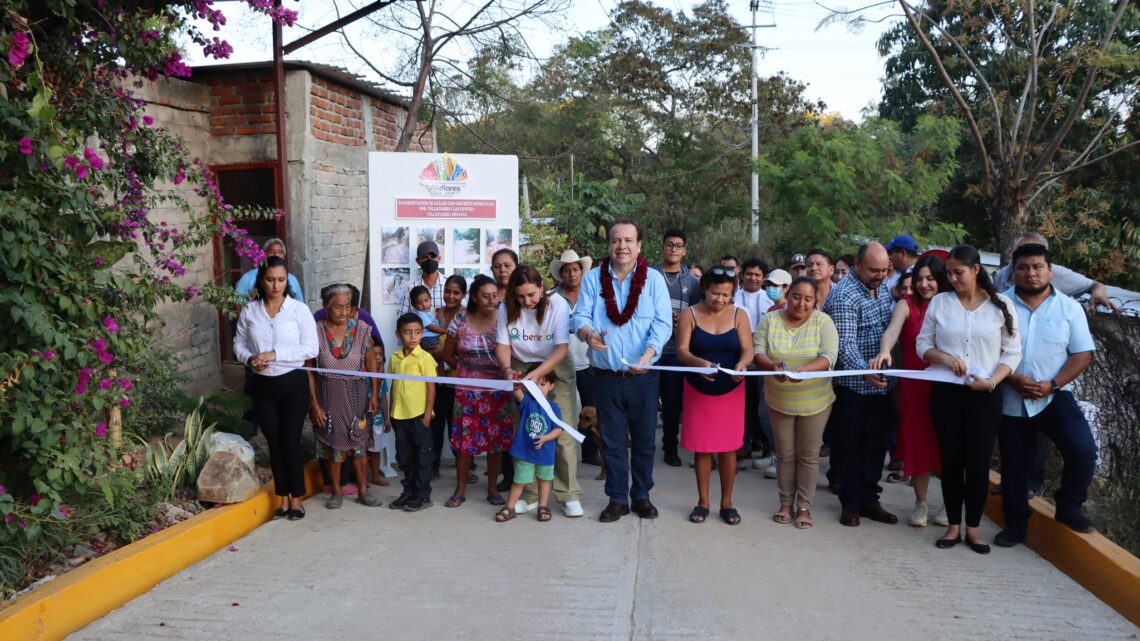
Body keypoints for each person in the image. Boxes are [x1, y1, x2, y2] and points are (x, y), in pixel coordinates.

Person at [917, 245, 1021, 554]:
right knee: (950, 462)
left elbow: (1012, 353)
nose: (953, 278)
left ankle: (973, 528)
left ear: (976, 270)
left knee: (977, 464)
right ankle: (952, 525)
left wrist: (991, 382)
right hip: (946, 393)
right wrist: (945, 359)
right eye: (948, 273)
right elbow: (923, 344)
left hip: (985, 396)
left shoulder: (1001, 305)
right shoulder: (940, 302)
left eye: (958, 272)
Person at [996, 243, 1097, 546]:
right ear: (1013, 273)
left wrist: (1052, 384)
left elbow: (1081, 354)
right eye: (1024, 267)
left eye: (1038, 267)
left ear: (1050, 270)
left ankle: (1068, 507)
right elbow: (985, 350)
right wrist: (1011, 378)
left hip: (1054, 394)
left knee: (1083, 450)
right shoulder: (998, 305)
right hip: (1011, 394)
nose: (1031, 273)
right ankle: (1015, 526)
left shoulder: (1070, 308)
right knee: (1015, 466)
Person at [572, 218, 672, 523]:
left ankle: (641, 495)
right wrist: (589, 335)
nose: (622, 246)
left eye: (629, 240)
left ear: (639, 246)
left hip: (644, 376)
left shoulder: (653, 280)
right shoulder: (592, 279)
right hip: (605, 375)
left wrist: (649, 355)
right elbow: (579, 316)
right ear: (609, 245)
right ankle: (617, 498)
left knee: (644, 440)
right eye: (616, 240)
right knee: (612, 441)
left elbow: (663, 323)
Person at [233, 256, 318, 520]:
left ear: (287, 281)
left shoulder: (298, 310)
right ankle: (282, 499)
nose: (276, 285)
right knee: (274, 442)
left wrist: (274, 353)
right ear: (261, 280)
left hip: (292, 382)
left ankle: (297, 499)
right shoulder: (250, 311)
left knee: (290, 441)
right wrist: (250, 359)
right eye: (270, 279)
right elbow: (238, 344)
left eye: (281, 280)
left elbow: (311, 348)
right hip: (262, 385)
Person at [871, 254, 951, 527]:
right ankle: (921, 503)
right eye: (920, 279)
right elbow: (892, 331)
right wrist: (884, 350)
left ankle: (948, 505)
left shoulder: (953, 305)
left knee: (947, 447)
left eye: (931, 278)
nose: (925, 284)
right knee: (918, 444)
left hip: (947, 385)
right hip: (914, 387)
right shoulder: (906, 305)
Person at [495, 265, 582, 517]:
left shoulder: (558, 304)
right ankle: (530, 495)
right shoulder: (506, 308)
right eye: (520, 296)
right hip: (521, 365)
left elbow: (562, 348)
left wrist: (541, 373)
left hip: (555, 365)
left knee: (561, 428)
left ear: (542, 288)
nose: (527, 301)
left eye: (532, 295)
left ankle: (568, 494)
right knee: (525, 429)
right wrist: (507, 370)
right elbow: (502, 345)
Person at [754, 276, 839, 529]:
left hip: (816, 401)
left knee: (809, 455)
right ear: (787, 295)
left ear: (816, 301)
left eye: (808, 299)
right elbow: (758, 352)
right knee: (785, 454)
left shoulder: (823, 322)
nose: (801, 303)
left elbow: (829, 356)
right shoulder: (770, 320)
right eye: (796, 296)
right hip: (778, 399)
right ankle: (784, 503)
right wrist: (772, 366)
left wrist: (805, 371)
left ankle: (804, 506)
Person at [823, 242, 898, 527]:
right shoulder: (844, 295)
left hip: (882, 385)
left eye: (883, 270)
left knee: (877, 445)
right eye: (873, 270)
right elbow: (845, 345)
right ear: (857, 265)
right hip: (854, 387)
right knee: (850, 446)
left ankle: (870, 499)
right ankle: (851, 503)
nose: (879, 275)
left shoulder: (880, 288)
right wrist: (864, 370)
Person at [675, 267, 754, 524]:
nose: (720, 299)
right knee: (703, 448)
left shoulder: (740, 315)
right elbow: (682, 352)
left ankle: (727, 502)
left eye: (726, 295)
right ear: (704, 290)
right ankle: (703, 502)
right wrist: (697, 362)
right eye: (715, 293)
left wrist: (743, 365)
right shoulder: (689, 314)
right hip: (698, 389)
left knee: (729, 448)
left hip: (731, 389)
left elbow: (748, 350)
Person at [306, 284, 383, 509]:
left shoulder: (362, 329)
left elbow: (372, 365)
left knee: (359, 444)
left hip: (357, 394)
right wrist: (314, 403)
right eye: (337, 307)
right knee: (334, 445)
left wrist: (374, 395)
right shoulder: (316, 330)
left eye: (347, 307)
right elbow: (309, 371)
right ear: (326, 306)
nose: (343, 312)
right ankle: (337, 491)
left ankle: (363, 491)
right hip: (328, 395)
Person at [441, 275, 513, 508]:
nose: (492, 300)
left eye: (495, 295)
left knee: (495, 443)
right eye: (486, 296)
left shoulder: (504, 317)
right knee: (464, 443)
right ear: (474, 297)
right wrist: (466, 370)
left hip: (497, 391)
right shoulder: (460, 318)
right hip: (466, 392)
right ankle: (460, 489)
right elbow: (447, 353)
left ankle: (492, 489)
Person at [652, 229, 702, 467]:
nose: (673, 249)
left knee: (672, 403)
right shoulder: (649, 275)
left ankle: (670, 447)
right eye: (669, 244)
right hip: (650, 350)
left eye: (678, 245)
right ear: (663, 247)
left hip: (676, 351)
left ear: (684, 250)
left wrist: (681, 320)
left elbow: (697, 314)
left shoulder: (693, 281)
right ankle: (645, 445)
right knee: (648, 402)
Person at [494, 366, 564, 523]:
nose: (538, 388)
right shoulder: (527, 402)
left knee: (544, 481)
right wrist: (516, 383)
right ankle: (510, 507)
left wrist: (546, 438)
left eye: (543, 384)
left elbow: (559, 429)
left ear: (551, 386)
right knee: (519, 481)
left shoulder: (553, 407)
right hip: (525, 452)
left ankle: (543, 506)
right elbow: (516, 391)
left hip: (545, 453)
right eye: (534, 384)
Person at [991, 232, 1119, 313]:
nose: (1031, 273)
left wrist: (1098, 295)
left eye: (1034, 252)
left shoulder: (1060, 275)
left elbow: (1095, 285)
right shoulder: (1002, 275)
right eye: (1022, 252)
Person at [386, 312, 439, 512]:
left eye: (417, 332)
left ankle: (422, 494)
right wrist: (391, 411)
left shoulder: (425, 358)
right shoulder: (395, 357)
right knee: (405, 458)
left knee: (423, 457)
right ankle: (408, 492)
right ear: (398, 334)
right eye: (407, 332)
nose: (413, 337)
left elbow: (431, 387)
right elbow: (394, 385)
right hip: (399, 416)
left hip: (419, 416)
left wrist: (427, 415)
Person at [549, 249, 598, 464]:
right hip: (561, 363)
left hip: (588, 362)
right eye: (567, 270)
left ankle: (590, 452)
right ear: (560, 274)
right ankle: (561, 455)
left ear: (582, 271)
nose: (571, 274)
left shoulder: (592, 297)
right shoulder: (550, 298)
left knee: (591, 410)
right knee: (561, 410)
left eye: (575, 270)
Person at [734, 258, 776, 464]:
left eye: (757, 275)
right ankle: (744, 445)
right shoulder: (734, 297)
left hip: (764, 359)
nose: (752, 278)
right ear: (743, 275)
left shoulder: (769, 299)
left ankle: (769, 450)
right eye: (749, 273)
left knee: (764, 405)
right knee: (744, 404)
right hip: (740, 358)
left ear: (763, 278)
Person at [428, 274, 467, 479]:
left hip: (459, 381)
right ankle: (433, 465)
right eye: (447, 291)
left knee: (457, 425)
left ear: (464, 295)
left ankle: (464, 466)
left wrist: (447, 353)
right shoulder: (433, 314)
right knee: (435, 424)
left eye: (456, 292)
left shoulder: (467, 316)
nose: (451, 296)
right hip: (436, 379)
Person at [234, 238, 303, 301]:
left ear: (284, 257)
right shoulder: (248, 278)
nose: (276, 255)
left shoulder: (292, 279)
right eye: (271, 251)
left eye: (280, 252)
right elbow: (237, 305)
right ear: (263, 255)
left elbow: (300, 308)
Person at [399, 240, 445, 313]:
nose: (429, 260)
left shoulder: (449, 286)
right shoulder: (411, 289)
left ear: (439, 259)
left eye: (433, 256)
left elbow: (461, 317)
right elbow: (403, 320)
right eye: (425, 257)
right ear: (418, 261)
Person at [409, 285, 442, 351]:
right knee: (440, 351)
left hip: (434, 336)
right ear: (413, 305)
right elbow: (431, 327)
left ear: (431, 299)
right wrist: (445, 331)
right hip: (426, 338)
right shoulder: (419, 313)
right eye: (419, 303)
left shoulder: (431, 311)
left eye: (426, 301)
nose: (424, 304)